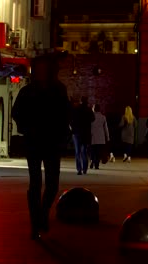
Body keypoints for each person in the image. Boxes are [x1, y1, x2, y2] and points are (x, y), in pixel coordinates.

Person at [11, 54, 71, 240]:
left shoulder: (59, 90)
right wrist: (28, 127)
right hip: (35, 141)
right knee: (35, 183)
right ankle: (35, 221)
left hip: (52, 142)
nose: (41, 72)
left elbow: (65, 113)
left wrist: (61, 132)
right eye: (38, 69)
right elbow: (16, 112)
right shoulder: (28, 91)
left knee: (52, 184)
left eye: (44, 69)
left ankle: (42, 213)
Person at [70, 96, 94, 175]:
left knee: (77, 151)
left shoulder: (76, 109)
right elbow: (93, 119)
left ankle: (79, 169)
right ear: (86, 101)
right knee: (84, 151)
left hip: (77, 132)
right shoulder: (88, 109)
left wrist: (72, 128)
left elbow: (71, 119)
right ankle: (85, 169)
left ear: (81, 101)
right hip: (86, 133)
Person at [90, 103, 110, 169]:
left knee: (92, 151)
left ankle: (92, 160)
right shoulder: (103, 117)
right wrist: (107, 137)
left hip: (92, 137)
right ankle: (97, 165)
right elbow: (106, 128)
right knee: (98, 152)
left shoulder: (91, 116)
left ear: (94, 109)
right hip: (101, 138)